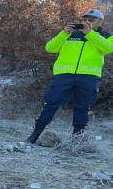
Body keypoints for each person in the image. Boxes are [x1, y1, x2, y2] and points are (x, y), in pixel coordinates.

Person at [26, 9, 113, 144]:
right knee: (51, 104)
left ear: (100, 22)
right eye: (84, 20)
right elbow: (50, 48)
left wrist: (89, 33)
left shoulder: (106, 36)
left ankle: (76, 141)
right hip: (64, 76)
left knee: (82, 108)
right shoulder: (70, 34)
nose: (86, 22)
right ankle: (34, 136)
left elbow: (108, 49)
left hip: (89, 77)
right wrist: (63, 33)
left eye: (91, 20)